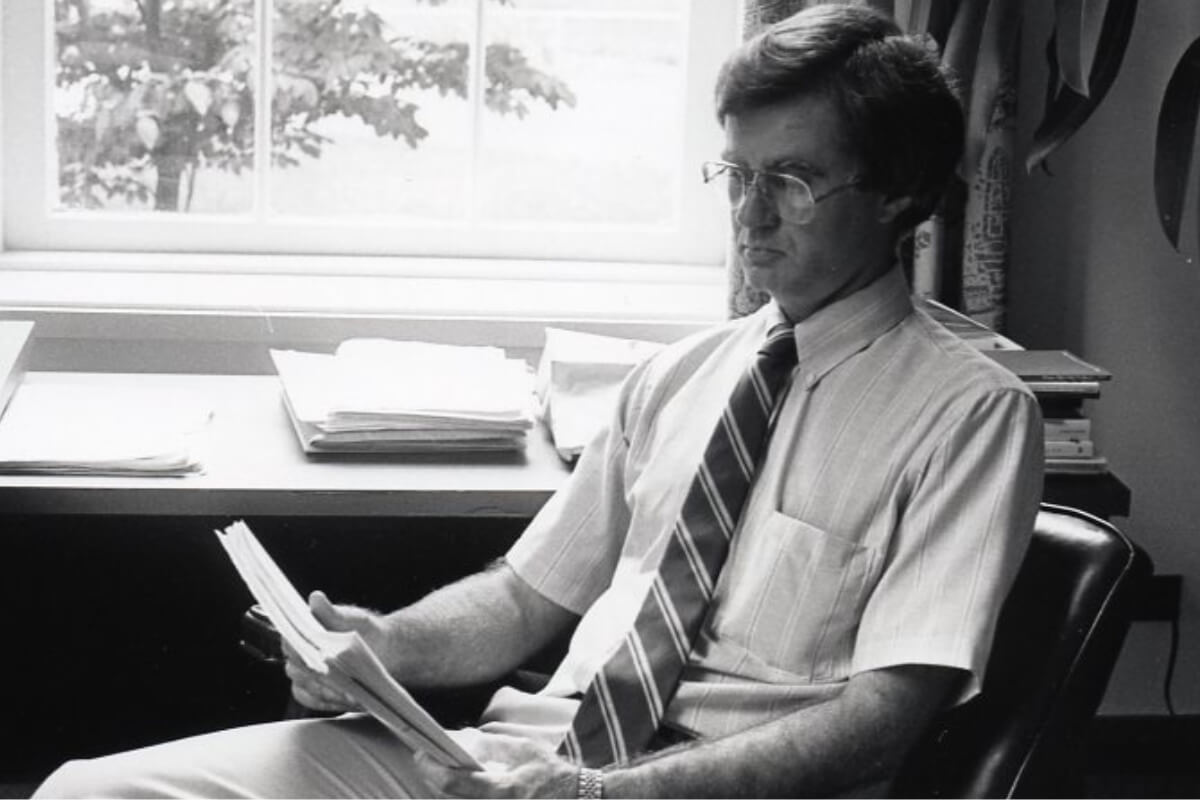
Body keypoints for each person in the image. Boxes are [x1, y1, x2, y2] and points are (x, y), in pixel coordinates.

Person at [35, 4, 1043, 798]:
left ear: (901, 193)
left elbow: (883, 719)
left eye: (790, 181)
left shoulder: (971, 416)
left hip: (684, 788)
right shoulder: (681, 375)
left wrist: (603, 794)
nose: (747, 217)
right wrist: (385, 645)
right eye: (734, 174)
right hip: (521, 763)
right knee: (88, 789)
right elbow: (523, 597)